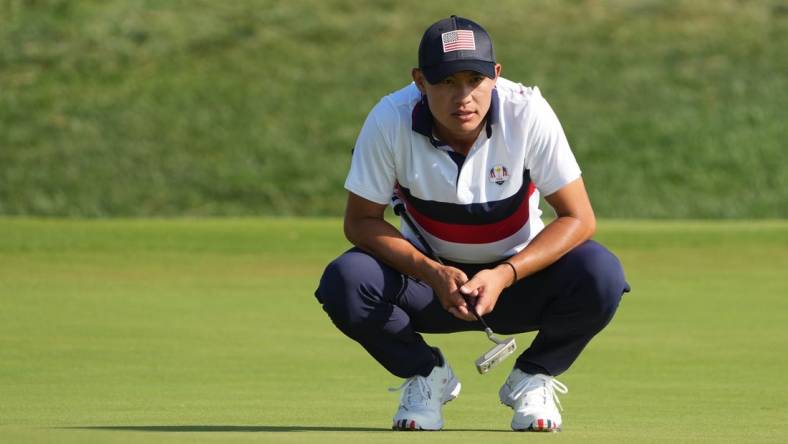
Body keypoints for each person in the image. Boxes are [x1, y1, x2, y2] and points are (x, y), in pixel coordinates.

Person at [315, 15, 629, 432]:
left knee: (601, 274)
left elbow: (578, 217)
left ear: (495, 76)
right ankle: (428, 375)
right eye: (446, 81)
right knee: (345, 281)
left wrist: (504, 274)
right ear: (420, 81)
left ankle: (533, 375)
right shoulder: (389, 119)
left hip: (518, 280)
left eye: (474, 79)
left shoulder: (527, 111)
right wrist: (433, 272)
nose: (462, 96)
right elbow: (360, 222)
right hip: (427, 284)